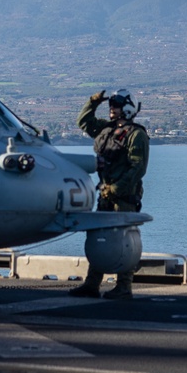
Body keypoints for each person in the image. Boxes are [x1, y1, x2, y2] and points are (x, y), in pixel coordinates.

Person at [69, 88, 149, 300]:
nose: (112, 109)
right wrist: (92, 101)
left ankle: (124, 286)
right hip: (106, 194)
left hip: (123, 197)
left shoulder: (136, 135)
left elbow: (137, 168)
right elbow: (84, 122)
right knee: (100, 237)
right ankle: (92, 284)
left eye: (116, 105)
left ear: (128, 108)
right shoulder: (106, 129)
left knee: (124, 240)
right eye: (111, 105)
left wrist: (116, 189)